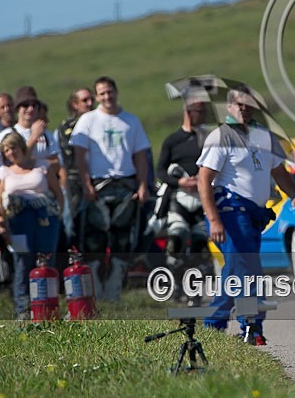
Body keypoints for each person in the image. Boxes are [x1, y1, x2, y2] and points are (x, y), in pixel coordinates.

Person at [197, 83, 295, 344]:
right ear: (229, 107)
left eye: (249, 103)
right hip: (230, 212)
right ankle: (252, 326)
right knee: (249, 270)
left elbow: (279, 172)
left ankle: (213, 326)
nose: (244, 108)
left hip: (254, 214)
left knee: (236, 270)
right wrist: (213, 220)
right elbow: (204, 180)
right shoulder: (221, 137)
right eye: (238, 103)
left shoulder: (265, 137)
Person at [70, 76, 151, 302]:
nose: (107, 97)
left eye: (110, 92)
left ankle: (113, 293)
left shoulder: (131, 121)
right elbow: (80, 155)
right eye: (102, 93)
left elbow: (140, 156)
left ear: (116, 92)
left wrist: (143, 184)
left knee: (122, 241)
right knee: (94, 241)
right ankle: (94, 292)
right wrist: (86, 185)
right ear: (97, 97)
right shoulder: (87, 120)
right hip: (98, 186)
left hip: (126, 186)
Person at [0, 132, 64, 320]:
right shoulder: (5, 172)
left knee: (46, 261)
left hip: (45, 220)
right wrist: (2, 223)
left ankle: (48, 307)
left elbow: (57, 193)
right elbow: (1, 202)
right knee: (22, 263)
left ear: (22, 146)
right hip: (18, 222)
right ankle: (23, 309)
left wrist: (57, 214)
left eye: (13, 148)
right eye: (6, 150)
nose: (10, 153)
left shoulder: (42, 166)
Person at [155, 93, 210, 306]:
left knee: (198, 246)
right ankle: (177, 281)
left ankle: (193, 292)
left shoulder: (208, 139)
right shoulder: (173, 140)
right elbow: (160, 170)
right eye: (200, 111)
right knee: (177, 241)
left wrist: (203, 181)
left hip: (202, 199)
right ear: (188, 112)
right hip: (179, 198)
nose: (204, 115)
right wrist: (179, 183)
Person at [55, 87, 94, 271]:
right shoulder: (67, 126)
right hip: (74, 180)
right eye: (84, 100)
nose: (90, 103)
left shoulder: (100, 120)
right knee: (74, 223)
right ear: (74, 104)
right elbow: (70, 155)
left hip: (98, 178)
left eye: (90, 99)